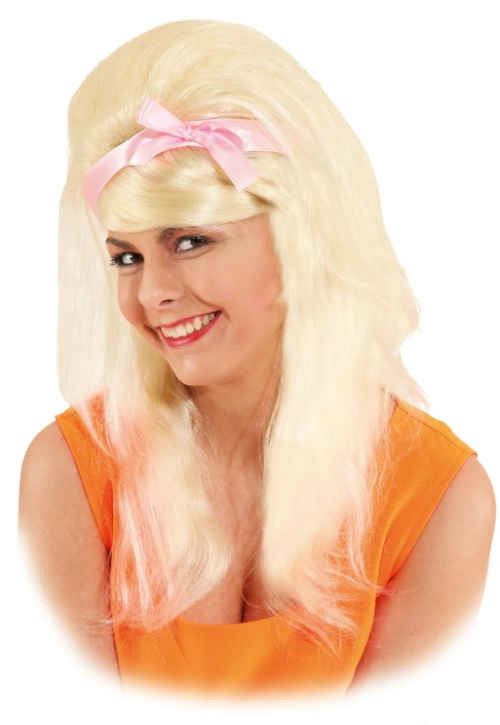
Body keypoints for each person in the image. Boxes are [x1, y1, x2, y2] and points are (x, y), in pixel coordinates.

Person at [18, 19, 495, 699]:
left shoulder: (438, 501)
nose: (151, 294)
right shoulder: (70, 475)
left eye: (189, 241)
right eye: (127, 256)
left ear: (299, 236)